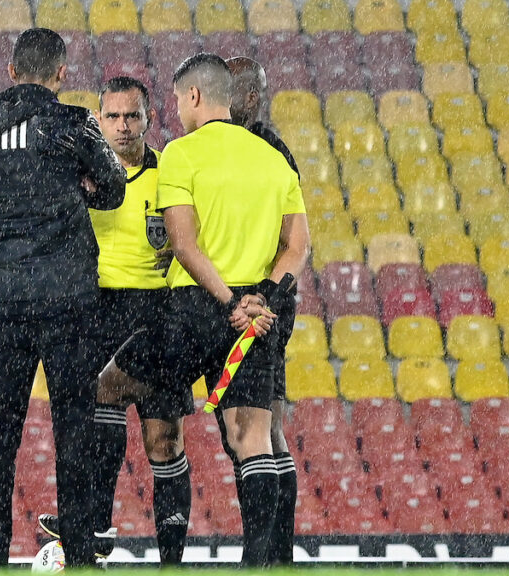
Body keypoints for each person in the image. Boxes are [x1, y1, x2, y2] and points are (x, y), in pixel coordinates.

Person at [88, 53, 310, 567]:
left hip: (195, 308)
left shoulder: (181, 156)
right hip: (256, 315)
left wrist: (229, 302)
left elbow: (184, 246)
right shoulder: (273, 159)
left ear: (192, 97)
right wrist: (262, 299)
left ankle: (95, 521)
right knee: (252, 437)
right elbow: (297, 246)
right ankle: (260, 561)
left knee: (109, 385)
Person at [0, 28, 126, 567]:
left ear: (10, 72)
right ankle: (79, 551)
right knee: (73, 427)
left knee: (2, 430)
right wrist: (78, 188)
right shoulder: (76, 123)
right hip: (67, 299)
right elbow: (115, 189)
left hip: (8, 298)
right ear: (62, 74)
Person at [36, 76, 195, 565]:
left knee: (162, 436)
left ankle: (171, 558)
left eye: (133, 116)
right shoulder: (77, 175)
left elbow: (194, 240)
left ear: (150, 118)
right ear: (97, 120)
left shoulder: (172, 174)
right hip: (98, 308)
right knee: (97, 414)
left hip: (156, 313)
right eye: (113, 117)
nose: (123, 127)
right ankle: (95, 530)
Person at [226, 55, 310, 566]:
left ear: (250, 99)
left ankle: (268, 556)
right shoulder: (270, 150)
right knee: (264, 428)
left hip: (259, 306)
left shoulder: (266, 152)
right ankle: (277, 556)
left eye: (224, 95)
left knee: (253, 429)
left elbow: (289, 241)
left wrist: (260, 299)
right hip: (268, 303)